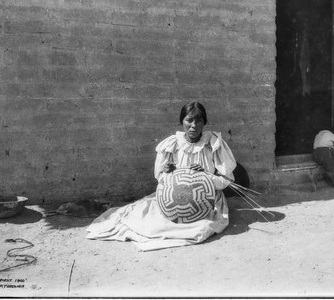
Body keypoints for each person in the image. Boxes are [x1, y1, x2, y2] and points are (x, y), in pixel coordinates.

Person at [86, 102, 237, 251]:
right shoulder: (172, 144)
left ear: (204, 122)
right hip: (173, 198)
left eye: (199, 120)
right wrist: (168, 172)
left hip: (207, 201)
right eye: (189, 120)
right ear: (181, 122)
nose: (194, 125)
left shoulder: (213, 144)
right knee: (150, 220)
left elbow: (226, 180)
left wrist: (204, 176)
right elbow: (161, 179)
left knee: (201, 227)